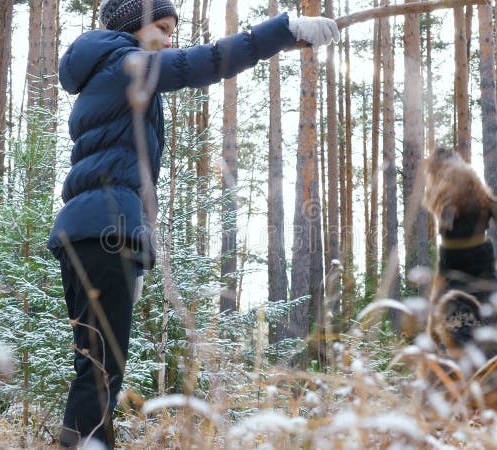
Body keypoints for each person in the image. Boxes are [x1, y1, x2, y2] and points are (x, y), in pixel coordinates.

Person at [47, 0, 339, 447]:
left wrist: (137, 251)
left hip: (88, 233)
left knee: (97, 363)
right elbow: (205, 61)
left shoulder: (103, 74)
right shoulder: (126, 64)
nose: (168, 39)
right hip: (106, 231)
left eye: (172, 31)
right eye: (161, 28)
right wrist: (284, 29)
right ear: (134, 27)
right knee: (104, 367)